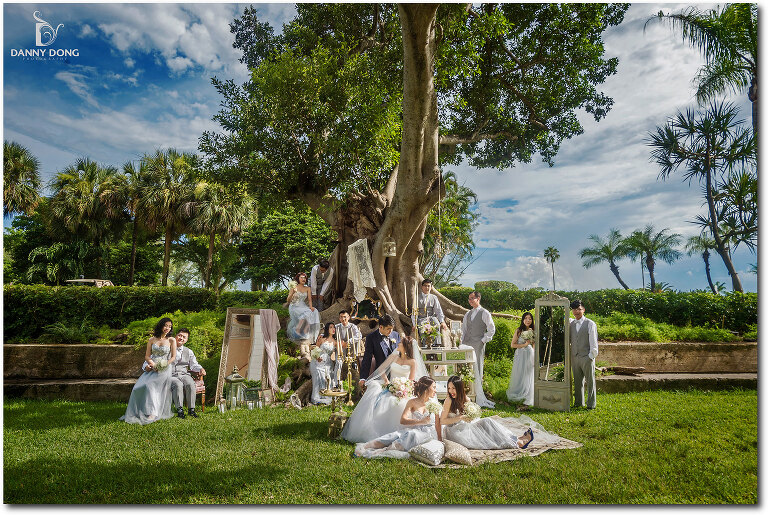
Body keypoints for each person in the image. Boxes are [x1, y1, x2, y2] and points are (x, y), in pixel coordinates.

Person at [341, 336, 427, 443]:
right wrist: (387, 381)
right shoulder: (394, 357)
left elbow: (411, 380)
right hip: (390, 385)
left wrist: (403, 389)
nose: (398, 344)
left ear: (405, 346)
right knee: (378, 394)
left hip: (404, 389)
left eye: (400, 343)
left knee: (400, 404)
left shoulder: (412, 362)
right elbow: (381, 368)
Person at [354, 376, 440, 459]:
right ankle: (365, 447)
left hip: (428, 434)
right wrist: (420, 422)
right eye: (434, 387)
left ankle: (382, 451)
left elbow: (437, 424)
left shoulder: (434, 404)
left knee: (412, 434)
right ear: (426, 388)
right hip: (415, 430)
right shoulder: (412, 402)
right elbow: (403, 420)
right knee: (395, 435)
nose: (435, 391)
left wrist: (440, 438)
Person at [441, 375, 533, 450]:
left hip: (464, 426)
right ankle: (516, 443)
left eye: (453, 388)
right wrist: (459, 418)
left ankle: (514, 439)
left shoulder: (466, 399)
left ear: (459, 388)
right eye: (449, 388)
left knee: (487, 422)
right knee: (484, 433)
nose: (451, 391)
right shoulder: (448, 400)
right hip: (454, 432)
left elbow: (469, 417)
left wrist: (469, 417)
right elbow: (442, 421)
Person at [120, 317, 177, 425]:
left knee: (150, 386)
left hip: (164, 369)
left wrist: (164, 365)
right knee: (137, 387)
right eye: (166, 325)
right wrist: (152, 364)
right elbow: (147, 356)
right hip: (152, 367)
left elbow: (173, 357)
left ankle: (153, 413)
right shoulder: (152, 340)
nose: (167, 328)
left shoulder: (171, 340)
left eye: (170, 326)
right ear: (161, 325)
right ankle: (139, 410)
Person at [460, 291, 496, 408]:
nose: (470, 301)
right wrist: (461, 343)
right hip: (467, 344)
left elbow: (491, 329)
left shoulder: (484, 312)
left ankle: (477, 394)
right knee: (465, 367)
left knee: (478, 367)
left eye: (472, 298)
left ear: (478, 298)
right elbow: (464, 330)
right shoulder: (468, 314)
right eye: (469, 299)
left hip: (478, 343)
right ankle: (466, 392)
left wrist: (483, 340)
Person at [170, 328, 206, 419]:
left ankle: (191, 410)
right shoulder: (167, 348)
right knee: (178, 384)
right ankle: (180, 410)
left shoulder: (189, 351)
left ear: (186, 340)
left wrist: (201, 369)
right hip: (170, 375)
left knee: (190, 383)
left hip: (184, 374)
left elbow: (194, 365)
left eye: (184, 337)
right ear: (175, 336)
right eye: (180, 335)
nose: (181, 338)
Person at [570, 299, 598, 409]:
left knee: (590, 382)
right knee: (577, 382)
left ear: (584, 310)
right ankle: (578, 403)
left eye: (579, 309)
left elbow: (593, 341)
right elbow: (563, 315)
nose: (576, 311)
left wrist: (591, 356)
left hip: (586, 357)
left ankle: (591, 404)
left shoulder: (590, 323)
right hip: (575, 357)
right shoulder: (571, 323)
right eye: (574, 309)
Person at [358, 314, 401, 385]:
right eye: (388, 329)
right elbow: (367, 358)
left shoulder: (396, 335)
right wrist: (363, 378)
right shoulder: (371, 338)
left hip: (397, 374)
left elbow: (401, 354)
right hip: (381, 375)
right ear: (381, 327)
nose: (391, 331)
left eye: (392, 328)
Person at [506, 312, 535, 408]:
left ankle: (528, 392)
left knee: (529, 373)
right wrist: (524, 345)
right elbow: (513, 345)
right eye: (526, 318)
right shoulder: (519, 330)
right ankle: (518, 391)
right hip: (520, 354)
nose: (528, 320)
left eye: (530, 318)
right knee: (520, 373)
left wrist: (534, 355)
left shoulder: (533, 330)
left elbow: (534, 345)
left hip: (530, 354)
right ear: (523, 320)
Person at [286, 272, 321, 349]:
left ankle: (308, 333)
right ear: (298, 279)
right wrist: (293, 292)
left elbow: (309, 299)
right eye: (301, 277)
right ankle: (298, 331)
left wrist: (311, 307)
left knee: (314, 311)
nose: (303, 279)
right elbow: (288, 300)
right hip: (294, 306)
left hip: (303, 306)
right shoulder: (294, 287)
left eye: (304, 278)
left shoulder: (307, 288)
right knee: (306, 313)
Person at [309, 322, 338, 405]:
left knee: (328, 378)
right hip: (318, 361)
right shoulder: (322, 338)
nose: (333, 329)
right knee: (319, 375)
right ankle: (317, 397)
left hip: (328, 363)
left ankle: (327, 395)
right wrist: (317, 357)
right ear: (327, 329)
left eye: (334, 327)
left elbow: (339, 352)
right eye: (331, 327)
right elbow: (316, 348)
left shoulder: (335, 342)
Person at [417, 279, 448, 347]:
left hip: (431, 317)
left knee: (436, 324)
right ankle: (425, 345)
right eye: (425, 286)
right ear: (422, 287)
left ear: (431, 287)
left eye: (428, 286)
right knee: (422, 327)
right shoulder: (417, 297)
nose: (427, 287)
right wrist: (414, 324)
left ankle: (437, 344)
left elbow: (438, 310)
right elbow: (414, 312)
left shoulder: (434, 297)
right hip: (421, 318)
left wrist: (442, 321)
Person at [334, 310, 362, 381]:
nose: (343, 319)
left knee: (352, 367)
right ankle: (336, 382)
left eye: (345, 317)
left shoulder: (353, 326)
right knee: (338, 363)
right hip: (340, 350)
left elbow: (359, 335)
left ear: (349, 317)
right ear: (339, 318)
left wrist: (348, 342)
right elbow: (328, 334)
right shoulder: (336, 327)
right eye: (341, 317)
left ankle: (354, 382)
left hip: (351, 350)